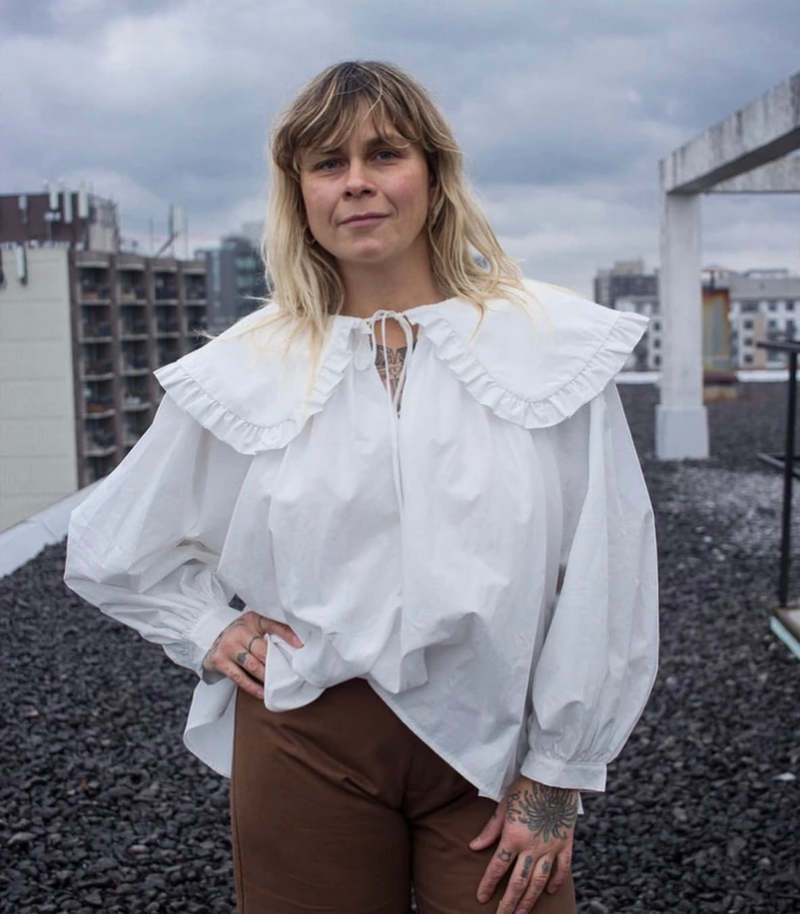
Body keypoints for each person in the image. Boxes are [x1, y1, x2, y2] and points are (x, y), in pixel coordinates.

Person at [63, 60, 659, 914]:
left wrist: (558, 772)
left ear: (434, 174)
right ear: (299, 192)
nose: (356, 183)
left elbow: (608, 565)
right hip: (306, 741)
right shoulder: (249, 364)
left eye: (384, 154)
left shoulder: (546, 344)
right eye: (327, 163)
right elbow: (112, 544)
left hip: (497, 747)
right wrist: (206, 625)